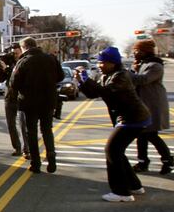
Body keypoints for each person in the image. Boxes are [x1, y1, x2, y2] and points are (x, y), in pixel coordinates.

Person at [76, 47, 151, 202]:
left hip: (133, 118)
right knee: (117, 151)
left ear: (113, 63)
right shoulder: (107, 75)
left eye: (103, 62)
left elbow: (107, 92)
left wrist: (87, 80)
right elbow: (94, 93)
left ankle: (121, 192)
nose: (100, 65)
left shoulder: (121, 76)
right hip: (128, 118)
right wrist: (81, 81)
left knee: (111, 150)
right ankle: (134, 186)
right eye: (99, 62)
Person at [10, 37, 64, 173]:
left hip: (30, 102)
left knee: (31, 132)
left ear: (24, 47)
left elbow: (14, 83)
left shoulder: (23, 61)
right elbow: (61, 76)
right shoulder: (51, 59)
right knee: (47, 130)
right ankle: (51, 157)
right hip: (48, 101)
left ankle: (36, 163)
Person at [128, 40, 171, 174]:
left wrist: (127, 73)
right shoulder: (144, 64)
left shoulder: (155, 66)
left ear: (144, 51)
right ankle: (143, 162)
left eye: (136, 50)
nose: (134, 53)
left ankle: (167, 160)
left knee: (151, 134)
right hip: (144, 104)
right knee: (142, 134)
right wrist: (134, 70)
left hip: (153, 105)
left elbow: (143, 80)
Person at [0, 43, 28, 157]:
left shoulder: (24, 62)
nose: (15, 55)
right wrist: (0, 67)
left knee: (24, 124)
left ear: (21, 51)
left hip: (22, 97)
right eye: (13, 53)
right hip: (9, 97)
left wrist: (7, 69)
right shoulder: (8, 61)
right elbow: (1, 79)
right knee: (11, 124)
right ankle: (17, 148)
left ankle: (27, 149)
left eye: (17, 53)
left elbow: (18, 78)